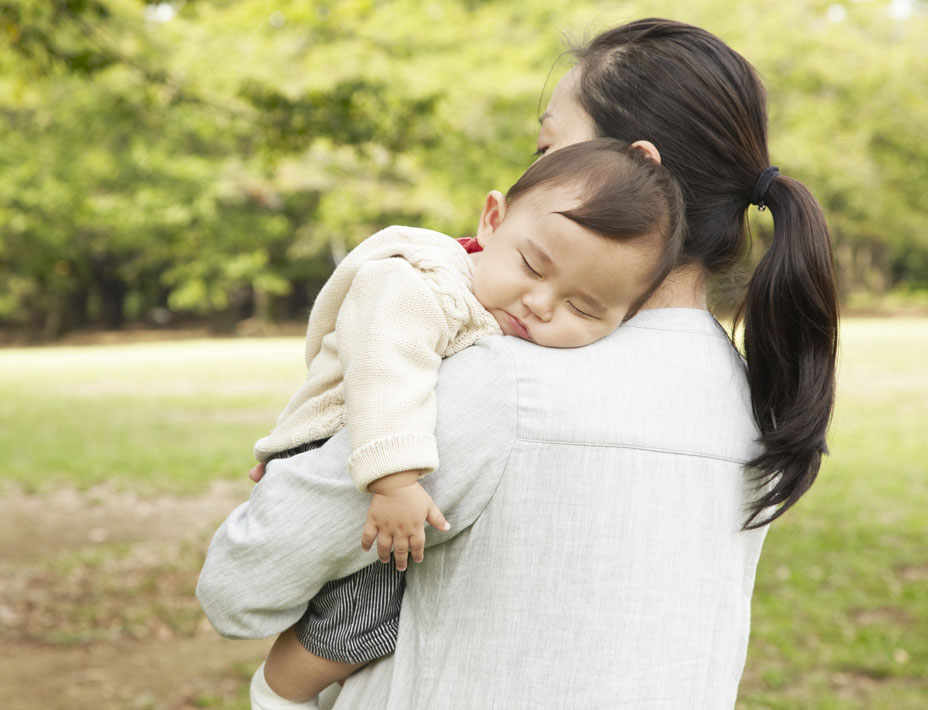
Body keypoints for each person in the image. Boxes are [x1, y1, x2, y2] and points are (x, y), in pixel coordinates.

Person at [197, 18, 839, 709]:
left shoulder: (499, 385)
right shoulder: (754, 400)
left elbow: (239, 588)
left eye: (546, 145)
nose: (532, 166)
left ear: (637, 165)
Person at [244, 137, 685, 709]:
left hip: (377, 454)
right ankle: (280, 692)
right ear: (492, 219)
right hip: (359, 451)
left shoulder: (508, 316)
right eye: (531, 266)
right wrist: (395, 480)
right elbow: (384, 367)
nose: (540, 305)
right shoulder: (420, 282)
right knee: (363, 619)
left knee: (373, 615)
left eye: (584, 308)